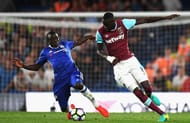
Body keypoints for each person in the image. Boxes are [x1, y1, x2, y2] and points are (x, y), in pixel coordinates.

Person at [96, 12, 179, 122]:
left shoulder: (123, 23)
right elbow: (99, 50)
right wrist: (109, 58)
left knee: (147, 87)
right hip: (119, 68)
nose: (105, 26)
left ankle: (150, 95)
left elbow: (145, 20)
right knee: (137, 92)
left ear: (113, 21)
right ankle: (162, 114)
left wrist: (165, 18)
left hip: (131, 61)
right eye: (104, 24)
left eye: (107, 24)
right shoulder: (100, 32)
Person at [12, 31, 109, 119]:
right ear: (48, 40)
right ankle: (71, 111)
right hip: (60, 79)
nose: (55, 40)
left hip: (72, 72)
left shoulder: (65, 44)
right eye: (52, 39)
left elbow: (77, 42)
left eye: (56, 38)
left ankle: (97, 105)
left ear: (58, 38)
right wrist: (23, 66)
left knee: (78, 85)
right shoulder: (45, 52)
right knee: (63, 108)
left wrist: (87, 37)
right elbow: (37, 66)